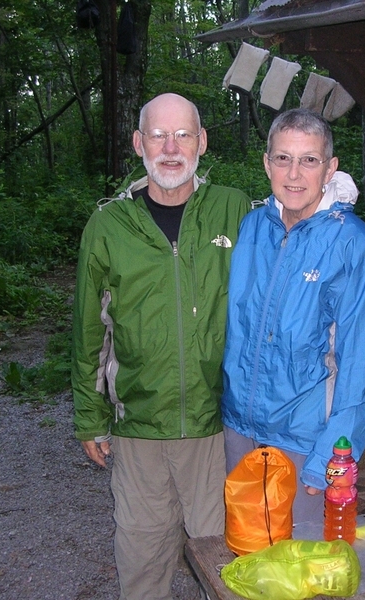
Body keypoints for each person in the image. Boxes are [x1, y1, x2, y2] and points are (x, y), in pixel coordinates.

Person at [71, 93, 251, 600]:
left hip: (216, 424)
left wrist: (330, 196)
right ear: (139, 143)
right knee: (142, 559)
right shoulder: (108, 226)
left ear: (202, 142)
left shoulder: (234, 209)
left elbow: (294, 234)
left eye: (183, 135)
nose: (171, 148)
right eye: (158, 135)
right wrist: (90, 416)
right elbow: (88, 331)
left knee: (227, 562)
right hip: (138, 427)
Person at [221, 108, 365, 525]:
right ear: (267, 163)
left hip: (305, 440)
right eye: (283, 158)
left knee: (300, 569)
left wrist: (329, 458)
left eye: (309, 160)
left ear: (330, 168)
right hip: (240, 429)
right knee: (247, 548)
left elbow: (362, 367)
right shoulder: (253, 228)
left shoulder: (353, 247)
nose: (294, 173)